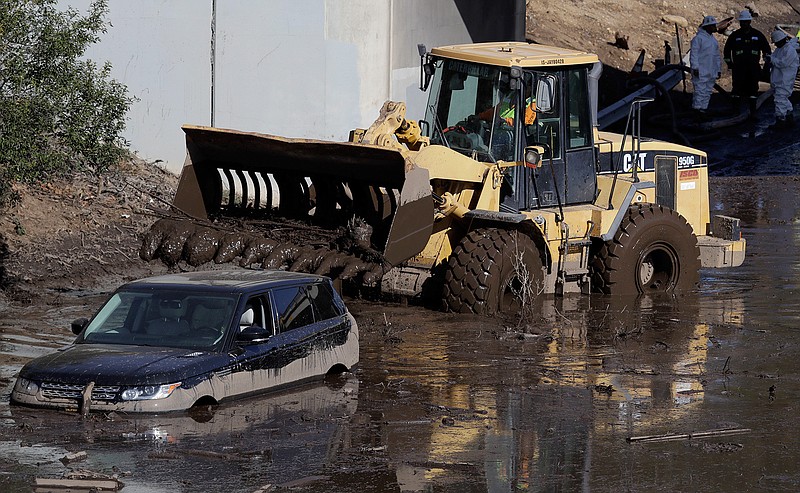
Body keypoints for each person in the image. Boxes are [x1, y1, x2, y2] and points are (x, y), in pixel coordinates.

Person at [723, 10, 771, 117]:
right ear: (740, 23)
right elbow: (726, 51)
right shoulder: (735, 36)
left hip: (753, 68)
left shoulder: (757, 35)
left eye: (746, 21)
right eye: (742, 22)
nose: (744, 24)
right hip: (738, 68)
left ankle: (752, 112)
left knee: (753, 90)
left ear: (750, 21)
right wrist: (730, 64)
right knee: (736, 89)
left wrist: (766, 62)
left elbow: (766, 49)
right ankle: (735, 111)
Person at [690, 16, 722, 117]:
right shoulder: (698, 39)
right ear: (707, 26)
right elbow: (694, 54)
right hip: (701, 71)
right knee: (700, 91)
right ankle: (697, 111)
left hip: (711, 71)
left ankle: (703, 110)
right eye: (712, 25)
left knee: (707, 91)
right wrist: (695, 67)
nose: (714, 27)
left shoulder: (713, 41)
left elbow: (716, 56)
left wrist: (718, 69)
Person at [769, 29, 799, 127]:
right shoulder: (779, 49)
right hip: (779, 79)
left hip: (784, 80)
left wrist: (771, 59)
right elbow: (774, 59)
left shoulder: (789, 50)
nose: (775, 45)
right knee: (783, 98)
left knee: (780, 99)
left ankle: (781, 120)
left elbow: (783, 63)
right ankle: (789, 116)